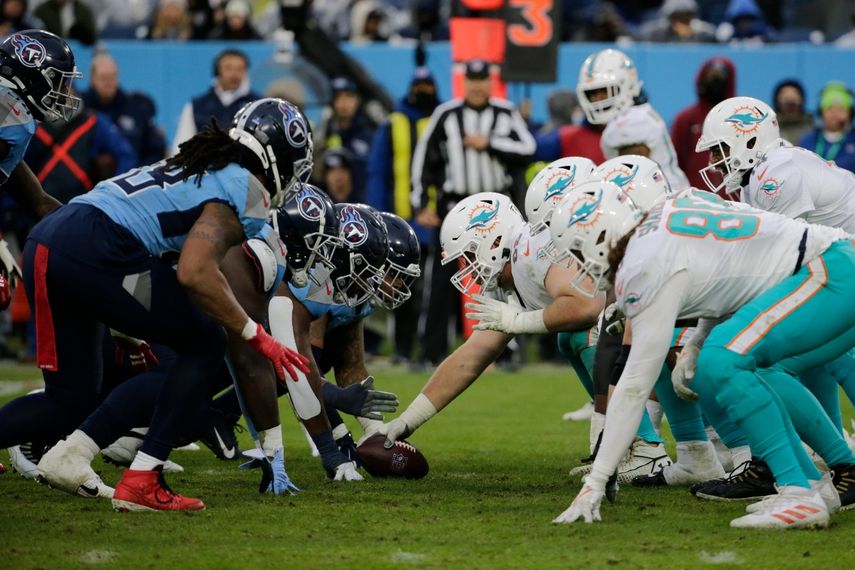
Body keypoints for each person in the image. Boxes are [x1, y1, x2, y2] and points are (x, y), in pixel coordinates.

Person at [0, 98, 313, 511]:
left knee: (68, 401)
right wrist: (258, 336)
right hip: (98, 245)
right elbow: (195, 272)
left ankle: (73, 453)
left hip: (54, 236)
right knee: (203, 343)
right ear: (279, 160)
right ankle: (143, 477)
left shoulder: (202, 165)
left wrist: (124, 320)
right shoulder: (246, 188)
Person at [551, 181, 855, 528]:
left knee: (721, 359)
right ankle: (822, 478)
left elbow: (636, 383)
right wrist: (694, 343)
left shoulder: (644, 265)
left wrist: (596, 480)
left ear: (596, 235)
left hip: (827, 273)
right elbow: (726, 279)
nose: (579, 267)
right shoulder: (662, 219)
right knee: (756, 366)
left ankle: (797, 493)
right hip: (837, 265)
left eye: (576, 253)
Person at [377, 192, 603, 460]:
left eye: (470, 255)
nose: (469, 268)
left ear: (495, 241)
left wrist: (521, 322)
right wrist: (407, 421)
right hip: (637, 327)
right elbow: (472, 356)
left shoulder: (532, 249)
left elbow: (587, 307)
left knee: (583, 335)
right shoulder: (506, 275)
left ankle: (639, 449)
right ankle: (625, 446)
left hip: (644, 313)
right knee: (570, 339)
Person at [411, 59, 535, 366]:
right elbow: (423, 160)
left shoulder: (505, 112)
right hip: (455, 207)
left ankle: (507, 351)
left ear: (490, 83)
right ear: (463, 82)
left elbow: (528, 148)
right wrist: (420, 204)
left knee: (504, 279)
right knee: (440, 280)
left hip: (497, 210)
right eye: (472, 79)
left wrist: (490, 143)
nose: (477, 85)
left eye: (482, 79)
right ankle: (432, 351)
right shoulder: (446, 114)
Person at [366, 66, 439, 363]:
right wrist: (377, 217)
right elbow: (377, 172)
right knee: (399, 288)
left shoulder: (442, 119)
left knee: (432, 293)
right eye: (418, 85)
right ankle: (402, 348)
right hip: (399, 222)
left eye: (427, 85)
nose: (422, 90)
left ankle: (430, 348)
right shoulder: (392, 124)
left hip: (434, 220)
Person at [577, 48, 689, 192]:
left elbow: (632, 182)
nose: (598, 99)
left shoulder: (631, 123)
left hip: (662, 202)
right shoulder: (638, 114)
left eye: (605, 90)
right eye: (592, 93)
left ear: (627, 84)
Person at [25, 95, 137, 203]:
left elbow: (125, 155)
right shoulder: (31, 126)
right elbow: (16, 165)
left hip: (83, 203)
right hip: (41, 207)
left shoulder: (93, 121)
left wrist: (114, 194)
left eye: (67, 87)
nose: (64, 94)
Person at [82, 52, 167, 167]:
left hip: (131, 178)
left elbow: (155, 150)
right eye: (103, 78)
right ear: (92, 79)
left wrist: (139, 175)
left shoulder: (136, 108)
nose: (108, 83)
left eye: (112, 77)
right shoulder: (80, 109)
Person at [171, 49, 259, 154]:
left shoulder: (257, 105)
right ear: (217, 71)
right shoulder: (197, 105)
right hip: (205, 167)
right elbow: (181, 144)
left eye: (240, 69)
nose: (234, 74)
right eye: (228, 68)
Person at [671, 56, 736, 192]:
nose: (716, 81)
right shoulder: (686, 118)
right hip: (695, 199)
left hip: (735, 198)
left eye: (721, 76)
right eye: (712, 75)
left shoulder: (740, 118)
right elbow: (675, 163)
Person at [313, 76, 376, 202]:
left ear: (357, 100)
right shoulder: (322, 135)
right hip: (328, 207)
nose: (343, 103)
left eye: (349, 96)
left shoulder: (370, 136)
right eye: (338, 97)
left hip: (364, 207)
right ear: (331, 102)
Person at [798, 82, 855, 174]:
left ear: (850, 114)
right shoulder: (807, 141)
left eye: (841, 109)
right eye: (830, 108)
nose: (835, 114)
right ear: (821, 111)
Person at [640, 0, 716, 43]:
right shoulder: (657, 31)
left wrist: (689, 36)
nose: (684, 20)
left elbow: (714, 36)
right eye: (680, 17)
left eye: (688, 15)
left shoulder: (702, 31)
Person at [773, 79, 813, 145]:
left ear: (802, 100)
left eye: (794, 98)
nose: (789, 101)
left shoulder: (812, 130)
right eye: (785, 98)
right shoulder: (769, 127)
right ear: (777, 101)